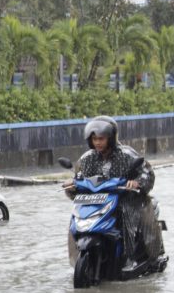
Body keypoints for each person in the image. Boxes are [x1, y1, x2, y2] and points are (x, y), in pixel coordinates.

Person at [65, 115, 159, 272]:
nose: (97, 142)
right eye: (94, 139)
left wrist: (137, 183)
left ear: (111, 138)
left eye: (101, 139)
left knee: (125, 213)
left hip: (126, 199)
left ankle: (135, 257)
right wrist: (72, 186)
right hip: (95, 203)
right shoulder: (86, 159)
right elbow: (78, 181)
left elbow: (147, 174)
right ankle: (76, 256)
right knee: (75, 218)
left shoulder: (127, 155)